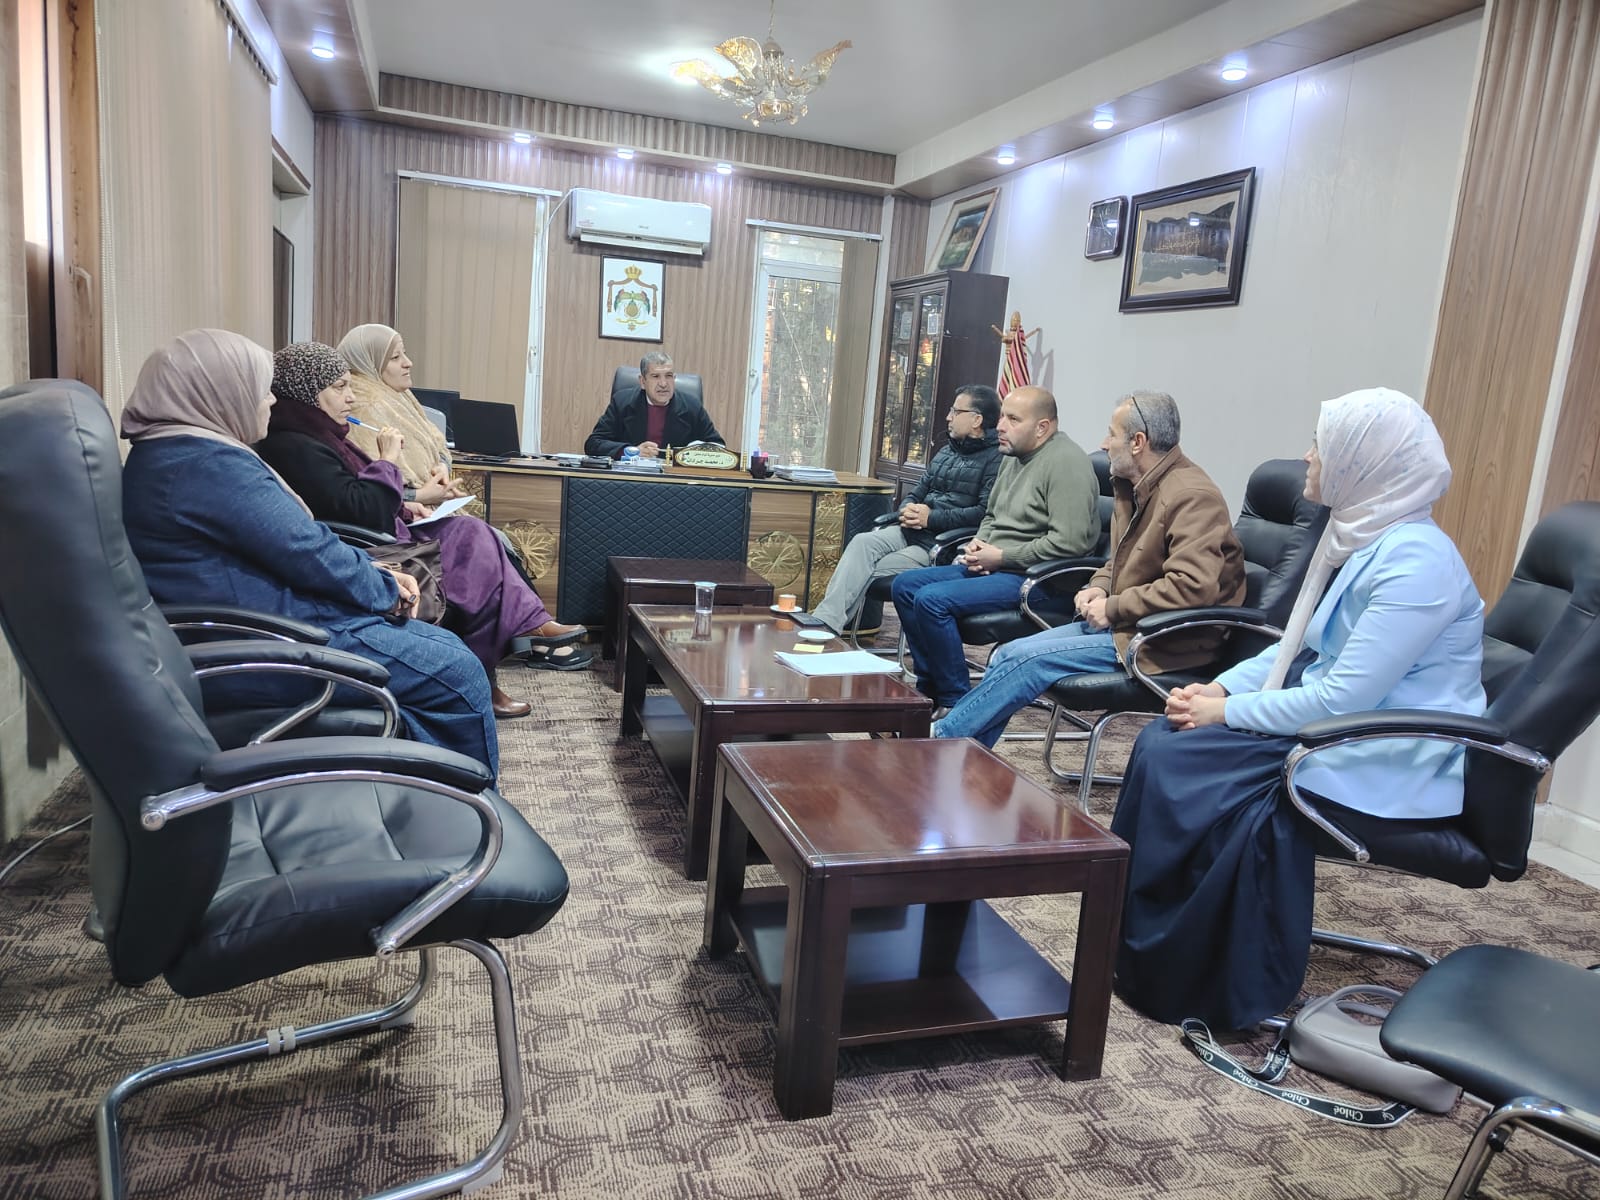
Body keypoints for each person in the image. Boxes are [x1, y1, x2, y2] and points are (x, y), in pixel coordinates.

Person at [1110, 387, 1486, 1031]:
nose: (1309, 456)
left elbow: (1344, 698)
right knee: (1163, 742)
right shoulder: (1364, 536)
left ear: (1365, 462)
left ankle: (1197, 976)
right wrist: (1222, 690)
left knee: (1184, 763)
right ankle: (1139, 946)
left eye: (1321, 445)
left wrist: (1227, 715)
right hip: (1338, 724)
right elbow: (1299, 648)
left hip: (1387, 748)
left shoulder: (1417, 565)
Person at [119, 328, 501, 772]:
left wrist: (375, 575)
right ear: (219, 392)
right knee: (457, 669)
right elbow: (307, 550)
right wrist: (383, 588)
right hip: (268, 643)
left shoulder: (173, 454)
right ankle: (468, 804)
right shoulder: (205, 465)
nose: (270, 400)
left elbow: (297, 544)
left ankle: (424, 785)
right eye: (260, 390)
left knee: (443, 648)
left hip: (262, 627)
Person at [257, 343, 594, 717]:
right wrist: (388, 459)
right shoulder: (294, 444)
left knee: (476, 539)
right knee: (476, 550)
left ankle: (505, 655)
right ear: (306, 391)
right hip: (367, 551)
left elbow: (349, 496)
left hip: (384, 534)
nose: (350, 397)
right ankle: (516, 642)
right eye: (339, 387)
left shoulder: (318, 433)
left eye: (349, 385)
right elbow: (361, 510)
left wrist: (405, 506)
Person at [934, 391, 1244, 747]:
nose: (1103, 444)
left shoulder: (1191, 495)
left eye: (1111, 434)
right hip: (1126, 625)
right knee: (1007, 654)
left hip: (1163, 641)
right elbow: (1121, 561)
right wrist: (1099, 585)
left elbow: (1192, 586)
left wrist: (1113, 606)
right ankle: (962, 756)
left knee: (1025, 660)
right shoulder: (1136, 486)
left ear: (1138, 442)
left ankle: (939, 744)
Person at [890, 385, 1101, 711]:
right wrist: (980, 543)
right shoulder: (1012, 454)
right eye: (1002, 417)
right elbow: (992, 514)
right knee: (905, 586)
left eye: (1013, 419)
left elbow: (1070, 543)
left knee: (932, 600)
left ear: (1042, 427)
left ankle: (957, 702)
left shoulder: (1066, 463)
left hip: (1039, 581)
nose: (1000, 426)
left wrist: (1001, 556)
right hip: (998, 564)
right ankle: (929, 692)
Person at [813, 385, 1002, 635]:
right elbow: (916, 492)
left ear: (976, 420)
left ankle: (826, 630)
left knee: (866, 570)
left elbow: (982, 513)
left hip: (939, 545)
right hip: (909, 530)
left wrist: (930, 518)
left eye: (956, 412)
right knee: (861, 543)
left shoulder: (996, 459)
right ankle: (824, 624)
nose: (948, 417)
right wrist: (907, 509)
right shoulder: (946, 451)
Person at [337, 323, 461, 502]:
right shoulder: (365, 405)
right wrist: (419, 495)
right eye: (395, 357)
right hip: (403, 513)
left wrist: (441, 467)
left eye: (404, 353)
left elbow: (436, 442)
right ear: (369, 363)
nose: (408, 363)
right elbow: (370, 491)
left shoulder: (398, 394)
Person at [585, 351, 723, 459]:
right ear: (642, 382)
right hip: (632, 478)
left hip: (674, 481)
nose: (663, 384)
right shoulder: (622, 402)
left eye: (668, 376)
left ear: (674, 379)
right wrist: (631, 451)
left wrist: (691, 453)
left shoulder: (692, 406)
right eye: (655, 376)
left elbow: (718, 446)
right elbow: (593, 443)